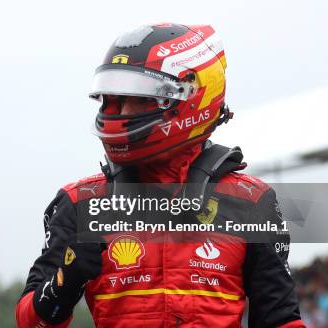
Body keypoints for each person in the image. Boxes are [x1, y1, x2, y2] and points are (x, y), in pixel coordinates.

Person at [16, 23, 306, 328]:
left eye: (140, 98)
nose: (121, 112)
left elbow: (281, 320)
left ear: (192, 98)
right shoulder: (79, 203)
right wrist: (64, 283)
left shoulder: (252, 202)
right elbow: (28, 322)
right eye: (113, 100)